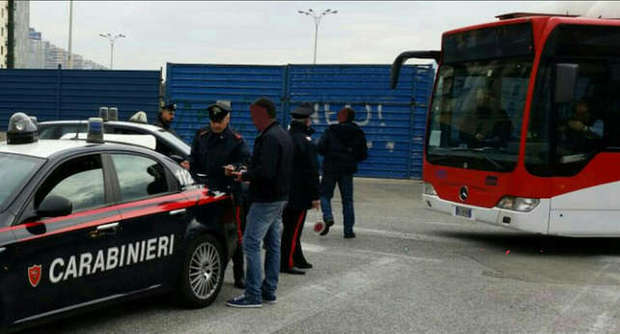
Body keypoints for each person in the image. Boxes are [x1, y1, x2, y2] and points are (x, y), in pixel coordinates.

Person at [226, 97, 293, 308]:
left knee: (251, 243)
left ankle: (253, 294)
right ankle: (269, 290)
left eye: (255, 116)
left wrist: (242, 175)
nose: (252, 120)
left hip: (265, 199)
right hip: (280, 198)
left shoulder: (269, 138)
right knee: (273, 244)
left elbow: (265, 172)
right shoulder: (283, 134)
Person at [186, 101, 250, 289]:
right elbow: (194, 159)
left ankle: (239, 275)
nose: (216, 125)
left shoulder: (236, 140)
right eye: (213, 121)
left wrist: (235, 168)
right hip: (205, 193)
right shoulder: (201, 136)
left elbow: (245, 162)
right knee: (207, 233)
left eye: (220, 121)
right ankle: (210, 271)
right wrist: (188, 165)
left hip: (228, 194)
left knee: (235, 235)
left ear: (228, 119)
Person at [280, 103, 320, 275]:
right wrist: (315, 196)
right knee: (294, 229)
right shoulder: (305, 141)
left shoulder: (286, 137)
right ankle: (287, 263)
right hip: (300, 193)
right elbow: (311, 170)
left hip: (285, 191)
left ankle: (297, 258)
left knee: (289, 227)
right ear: (307, 121)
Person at [317, 106, 368, 238]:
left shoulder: (331, 130)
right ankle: (348, 231)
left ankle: (328, 217)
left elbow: (321, 148)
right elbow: (363, 154)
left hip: (330, 168)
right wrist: (351, 158)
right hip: (347, 169)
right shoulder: (358, 132)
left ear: (342, 117)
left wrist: (330, 153)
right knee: (347, 200)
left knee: (324, 195)